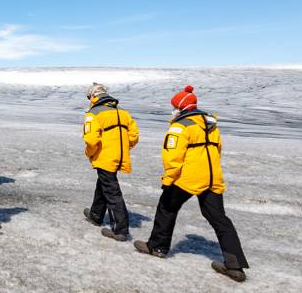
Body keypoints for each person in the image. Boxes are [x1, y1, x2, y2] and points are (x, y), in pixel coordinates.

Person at [134, 85, 250, 283]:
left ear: (180, 107)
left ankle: (157, 247)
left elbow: (172, 157)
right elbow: (217, 150)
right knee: (219, 219)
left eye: (174, 106)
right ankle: (235, 265)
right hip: (212, 178)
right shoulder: (211, 125)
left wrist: (169, 180)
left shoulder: (180, 126)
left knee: (166, 208)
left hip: (187, 178)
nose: (173, 110)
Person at [81, 83, 139, 241]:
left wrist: (90, 153)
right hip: (120, 156)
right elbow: (133, 136)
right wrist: (122, 149)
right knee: (104, 184)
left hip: (105, 157)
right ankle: (95, 215)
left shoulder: (94, 113)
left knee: (112, 192)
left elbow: (91, 140)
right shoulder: (123, 113)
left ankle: (120, 229)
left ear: (93, 96)